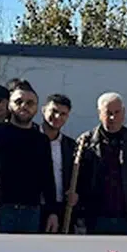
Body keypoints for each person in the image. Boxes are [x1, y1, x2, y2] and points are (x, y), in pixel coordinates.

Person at [0, 82, 57, 234]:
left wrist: (52, 212)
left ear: (36, 107)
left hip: (31, 211)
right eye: (18, 102)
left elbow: (48, 178)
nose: (24, 106)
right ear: (9, 105)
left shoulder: (42, 140)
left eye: (30, 103)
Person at [78, 92, 127, 235]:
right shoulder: (86, 141)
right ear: (99, 113)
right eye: (108, 113)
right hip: (96, 217)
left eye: (117, 112)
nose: (112, 118)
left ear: (123, 113)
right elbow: (79, 181)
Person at [40, 94, 78, 233]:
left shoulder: (71, 146)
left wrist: (76, 195)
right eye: (54, 111)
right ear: (44, 110)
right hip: (36, 207)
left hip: (62, 208)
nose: (57, 117)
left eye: (63, 114)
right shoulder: (30, 138)